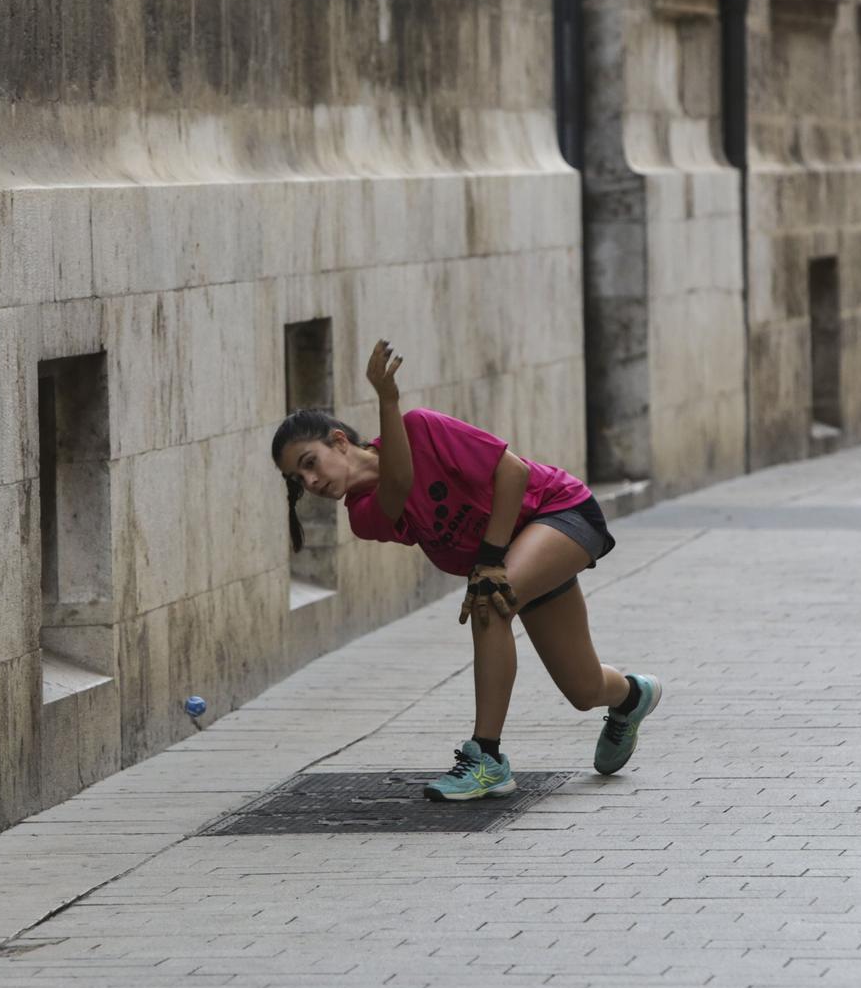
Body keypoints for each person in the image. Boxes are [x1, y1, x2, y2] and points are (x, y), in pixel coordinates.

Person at [271, 340, 661, 800]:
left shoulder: (420, 427)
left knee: (489, 602)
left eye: (310, 463)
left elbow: (512, 473)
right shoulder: (363, 516)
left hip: (559, 513)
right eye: (298, 479)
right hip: (514, 553)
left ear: (339, 440)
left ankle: (487, 758)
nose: (311, 482)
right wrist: (496, 561)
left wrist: (389, 400)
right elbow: (397, 485)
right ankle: (632, 696)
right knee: (583, 687)